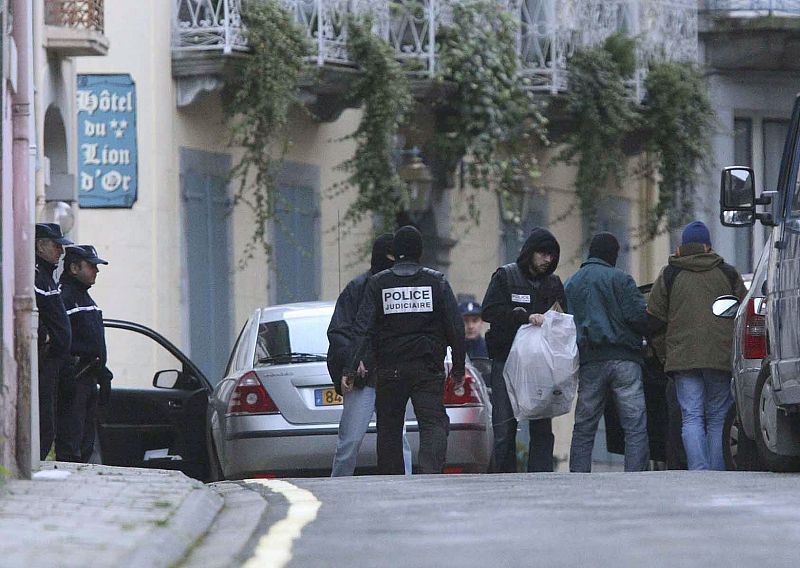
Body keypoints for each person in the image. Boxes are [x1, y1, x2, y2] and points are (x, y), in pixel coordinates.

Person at [347, 226, 465, 474]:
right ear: (419, 252)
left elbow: (363, 328)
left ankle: (393, 481)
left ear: (396, 251)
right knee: (433, 424)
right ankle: (430, 475)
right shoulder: (437, 282)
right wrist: (458, 368)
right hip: (427, 368)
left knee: (389, 429)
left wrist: (350, 367)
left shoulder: (378, 283)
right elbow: (455, 327)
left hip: (390, 370)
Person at [647, 221, 747, 471]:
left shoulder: (670, 274)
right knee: (717, 418)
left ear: (682, 246)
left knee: (691, 417)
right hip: (719, 358)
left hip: (683, 359)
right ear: (707, 245)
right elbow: (744, 313)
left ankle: (698, 471)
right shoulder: (727, 273)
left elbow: (655, 321)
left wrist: (664, 354)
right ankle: (717, 470)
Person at [482, 227, 566, 473]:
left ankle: (540, 476)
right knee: (504, 425)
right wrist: (521, 317)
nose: (547, 260)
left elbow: (563, 318)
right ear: (530, 253)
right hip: (506, 360)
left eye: (552, 256)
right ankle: (503, 477)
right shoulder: (505, 277)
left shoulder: (553, 284)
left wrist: (551, 319)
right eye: (543, 254)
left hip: (541, 365)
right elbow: (489, 311)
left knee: (541, 424)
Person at [565, 232, 650, 472]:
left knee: (584, 424)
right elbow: (637, 317)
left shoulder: (572, 283)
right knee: (634, 424)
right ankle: (635, 475)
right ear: (613, 255)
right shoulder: (621, 279)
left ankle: (579, 476)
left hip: (590, 360)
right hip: (625, 360)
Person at [328, 234, 412, 476]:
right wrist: (354, 362)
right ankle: (339, 485)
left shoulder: (391, 287)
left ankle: (406, 488)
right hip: (365, 378)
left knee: (398, 440)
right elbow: (341, 332)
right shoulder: (358, 289)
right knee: (351, 442)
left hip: (388, 375)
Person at [55, 245, 113, 463]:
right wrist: (67, 371)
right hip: (74, 377)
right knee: (70, 442)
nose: (96, 272)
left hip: (89, 376)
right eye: (91, 266)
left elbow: (95, 343)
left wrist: (103, 373)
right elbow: (60, 341)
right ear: (73, 268)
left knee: (85, 442)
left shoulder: (86, 299)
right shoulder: (65, 297)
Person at [34, 223, 73, 460]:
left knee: (50, 417)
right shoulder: (35, 274)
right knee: (43, 419)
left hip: (55, 363)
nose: (61, 252)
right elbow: (28, 310)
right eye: (56, 246)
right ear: (40, 246)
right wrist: (44, 337)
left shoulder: (47, 276)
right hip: (44, 359)